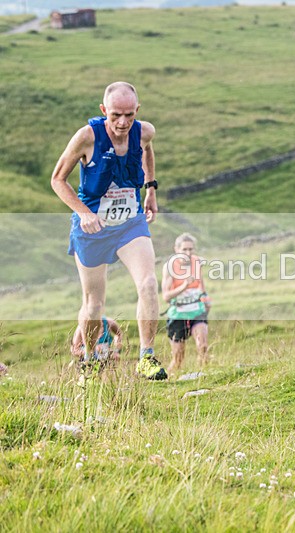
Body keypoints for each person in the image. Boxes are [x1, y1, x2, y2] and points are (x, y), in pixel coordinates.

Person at [51, 81, 167, 380]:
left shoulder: (144, 131)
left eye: (129, 115)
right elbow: (57, 179)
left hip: (129, 222)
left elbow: (147, 150)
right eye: (116, 115)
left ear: (137, 111)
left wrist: (151, 189)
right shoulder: (87, 137)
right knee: (93, 304)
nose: (122, 122)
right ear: (104, 110)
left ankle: (146, 357)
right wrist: (83, 213)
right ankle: (88, 360)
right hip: (93, 228)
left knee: (149, 283)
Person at [162, 233, 211, 376]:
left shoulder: (197, 262)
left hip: (197, 311)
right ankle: (169, 379)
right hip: (177, 314)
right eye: (184, 249)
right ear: (176, 249)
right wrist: (184, 285)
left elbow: (202, 286)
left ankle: (204, 376)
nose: (188, 253)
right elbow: (166, 296)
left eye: (191, 249)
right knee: (178, 358)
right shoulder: (170, 267)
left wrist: (205, 299)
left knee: (203, 347)